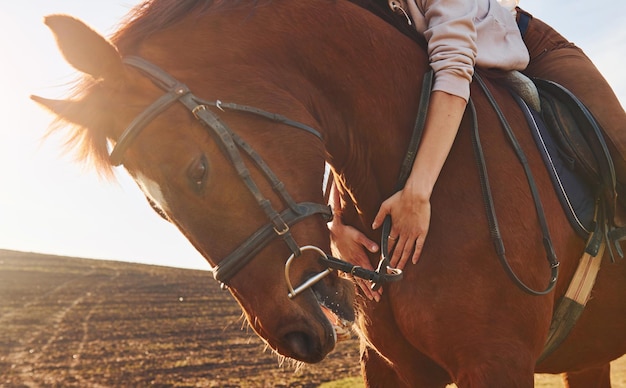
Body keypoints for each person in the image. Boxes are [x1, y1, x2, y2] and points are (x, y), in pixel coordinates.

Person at [328, 0, 626, 301]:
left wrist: (418, 191)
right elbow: (349, 114)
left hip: (526, 44)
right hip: (447, 61)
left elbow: (455, 69)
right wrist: (336, 222)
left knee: (620, 142)